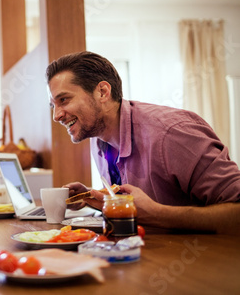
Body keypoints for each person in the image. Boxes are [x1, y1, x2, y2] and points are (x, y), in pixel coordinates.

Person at [46, 51, 240, 235]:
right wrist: (92, 196)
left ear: (103, 92)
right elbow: (131, 203)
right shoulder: (98, 139)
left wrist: (156, 214)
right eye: (53, 105)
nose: (56, 116)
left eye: (64, 100)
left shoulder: (171, 133)